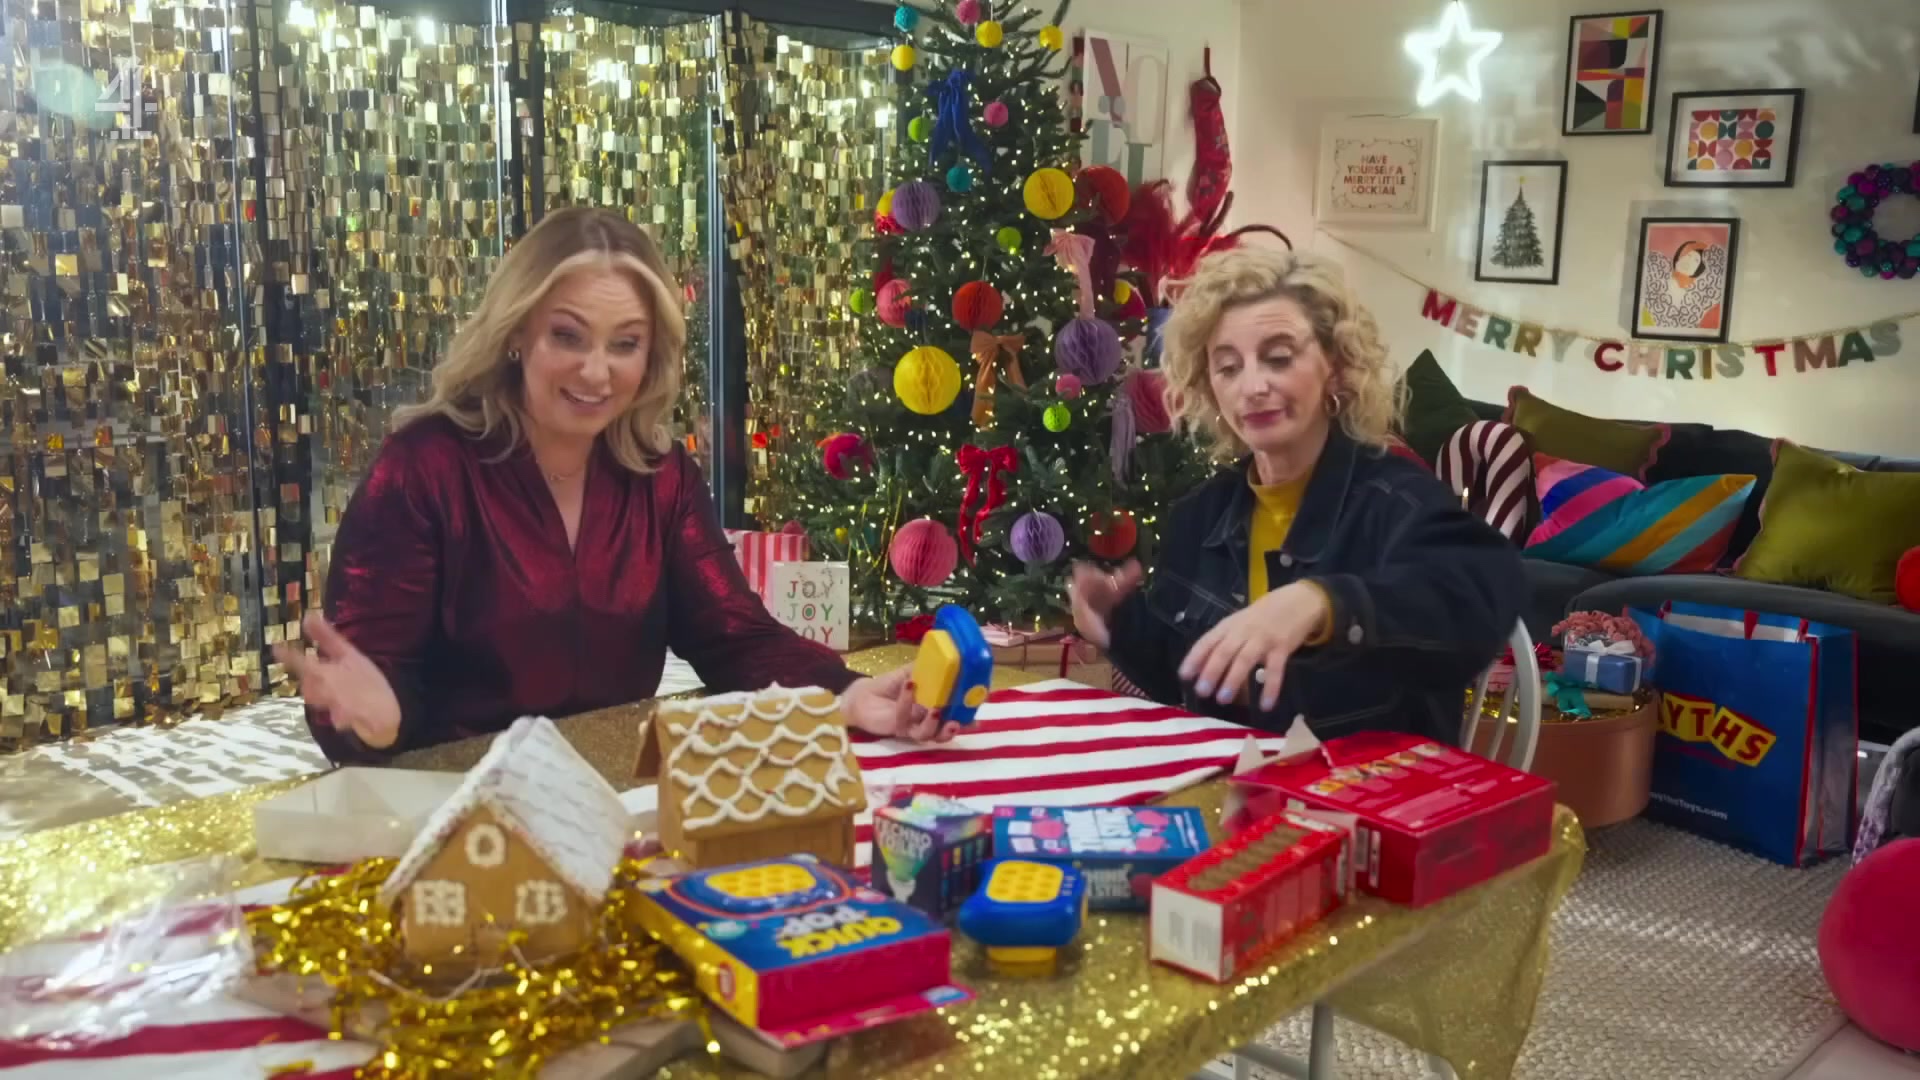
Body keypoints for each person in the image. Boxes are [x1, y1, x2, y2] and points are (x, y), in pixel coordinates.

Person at [276, 207, 952, 764]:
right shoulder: (423, 469)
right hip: (455, 825)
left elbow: (735, 638)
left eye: (624, 343)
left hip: (615, 811)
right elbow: (361, 696)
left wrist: (847, 694)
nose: (596, 373)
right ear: (516, 334)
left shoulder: (661, 477)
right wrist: (380, 719)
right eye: (568, 336)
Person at [1069, 247, 1524, 742]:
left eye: (1279, 357)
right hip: (1238, 784)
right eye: (1228, 367)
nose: (1252, 386)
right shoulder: (1199, 516)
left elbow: (1486, 596)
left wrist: (1324, 604)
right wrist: (1118, 624)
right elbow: (1189, 673)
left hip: (1371, 786)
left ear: (1335, 366)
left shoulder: (1398, 500)